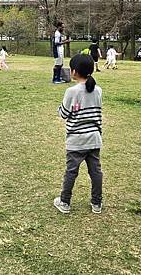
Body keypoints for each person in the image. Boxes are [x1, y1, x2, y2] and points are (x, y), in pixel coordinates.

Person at [53, 54, 103, 215]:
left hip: (76, 140)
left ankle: (65, 202)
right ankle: (97, 202)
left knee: (71, 172)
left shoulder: (71, 91)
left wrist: (59, 109)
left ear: (74, 71)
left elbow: (64, 114)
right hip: (94, 139)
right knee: (95, 172)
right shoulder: (98, 90)